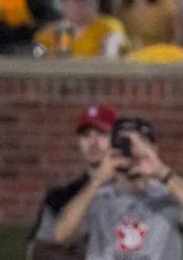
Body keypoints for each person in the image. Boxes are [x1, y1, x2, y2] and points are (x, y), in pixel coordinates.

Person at [51, 116, 183, 258]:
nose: (132, 151)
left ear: (153, 149)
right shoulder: (96, 198)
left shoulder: (169, 195)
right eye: (124, 143)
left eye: (141, 143)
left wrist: (162, 172)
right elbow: (61, 235)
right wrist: (97, 181)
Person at [27, 103, 120, 260]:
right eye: (86, 135)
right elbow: (36, 253)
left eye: (102, 134)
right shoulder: (60, 197)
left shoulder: (136, 190)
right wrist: (96, 182)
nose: (93, 142)